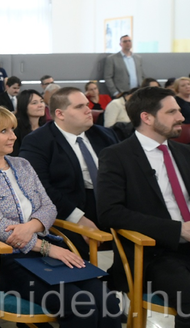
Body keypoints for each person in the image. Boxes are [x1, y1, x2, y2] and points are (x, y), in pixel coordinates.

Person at [0, 106, 121, 328]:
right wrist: (48, 248)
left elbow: (49, 207)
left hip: (42, 252)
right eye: (4, 131)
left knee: (108, 302)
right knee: (82, 306)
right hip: (4, 259)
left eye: (12, 129)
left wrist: (31, 227)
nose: (13, 136)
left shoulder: (22, 165)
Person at [98, 86, 190, 328]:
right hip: (155, 255)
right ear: (147, 117)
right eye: (172, 112)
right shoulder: (117, 156)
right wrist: (180, 230)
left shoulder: (188, 153)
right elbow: (110, 213)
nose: (181, 117)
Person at [19, 87, 118, 257]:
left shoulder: (105, 135)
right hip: (67, 209)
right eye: (80, 107)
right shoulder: (38, 141)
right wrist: (78, 218)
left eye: (87, 105)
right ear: (60, 114)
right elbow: (40, 188)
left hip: (110, 203)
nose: (88, 110)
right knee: (78, 247)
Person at [12, 89, 46, 155]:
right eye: (34, 103)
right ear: (24, 106)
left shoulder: (47, 127)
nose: (40, 105)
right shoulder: (15, 129)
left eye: (41, 101)